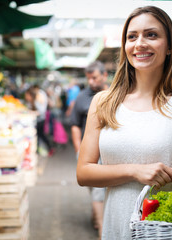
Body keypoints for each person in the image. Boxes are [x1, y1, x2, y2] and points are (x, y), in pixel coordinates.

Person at [76, 6, 172, 240]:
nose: (139, 43)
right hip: (115, 229)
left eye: (151, 35)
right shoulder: (104, 102)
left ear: (170, 46)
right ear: (125, 46)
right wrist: (136, 171)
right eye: (132, 36)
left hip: (164, 232)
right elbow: (84, 173)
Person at [70, 61, 108, 238]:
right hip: (88, 151)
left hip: (108, 151)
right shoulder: (82, 97)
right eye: (89, 78)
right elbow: (75, 125)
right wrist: (79, 149)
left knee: (100, 190)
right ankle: (99, 219)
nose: (91, 82)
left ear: (104, 75)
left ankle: (102, 229)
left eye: (95, 77)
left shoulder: (114, 94)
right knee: (95, 189)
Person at [25, 85, 55, 157]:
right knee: (39, 135)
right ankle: (40, 150)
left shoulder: (39, 97)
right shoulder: (37, 97)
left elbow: (41, 111)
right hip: (40, 119)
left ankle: (48, 148)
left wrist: (32, 113)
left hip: (41, 120)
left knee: (40, 135)